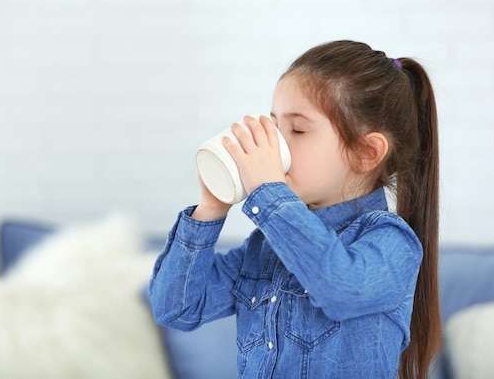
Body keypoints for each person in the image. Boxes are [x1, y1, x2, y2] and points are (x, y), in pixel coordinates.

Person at [148, 40, 441, 379]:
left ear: (366, 153)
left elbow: (337, 286)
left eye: (298, 129)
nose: (277, 145)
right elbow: (176, 308)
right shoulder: (265, 247)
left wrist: (269, 193)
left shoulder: (391, 242)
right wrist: (210, 208)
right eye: (276, 127)